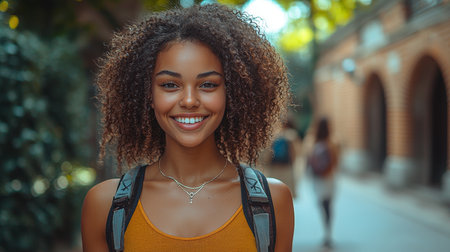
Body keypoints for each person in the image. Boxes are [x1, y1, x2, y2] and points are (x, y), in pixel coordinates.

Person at [81, 4, 294, 252]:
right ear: (148, 94)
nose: (190, 100)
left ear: (232, 92)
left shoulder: (271, 203)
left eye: (208, 84)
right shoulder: (106, 206)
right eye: (170, 85)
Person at [307, 117, 338, 248]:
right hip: (329, 178)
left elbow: (308, 160)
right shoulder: (333, 142)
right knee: (328, 205)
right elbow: (336, 161)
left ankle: (326, 233)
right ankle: (328, 233)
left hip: (317, 179)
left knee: (321, 204)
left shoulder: (312, 141)